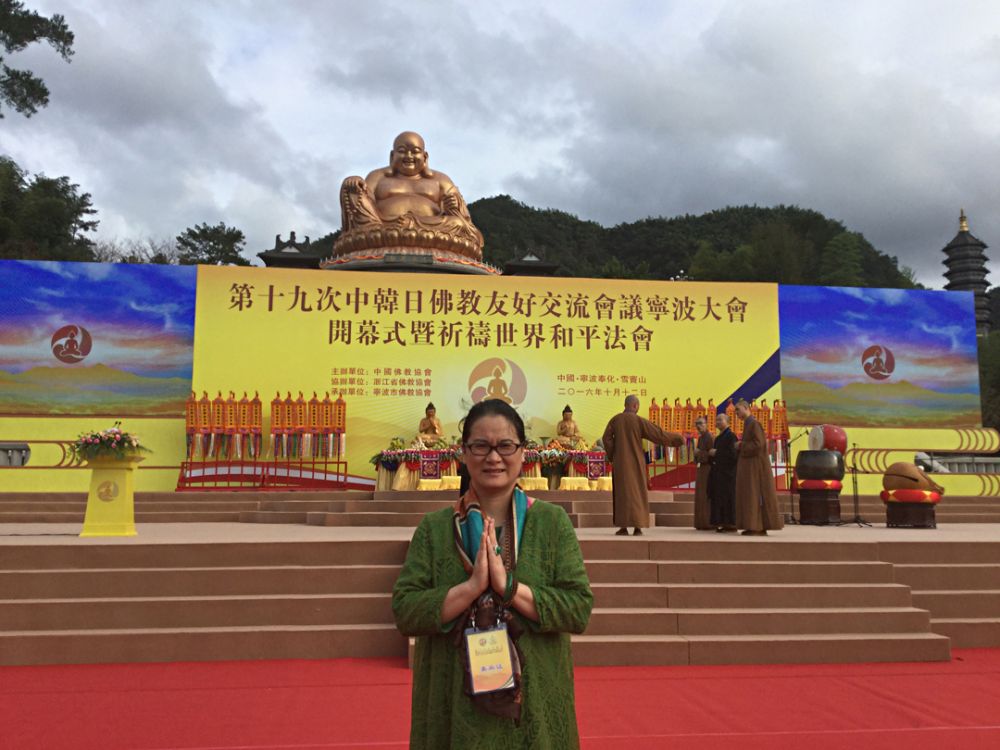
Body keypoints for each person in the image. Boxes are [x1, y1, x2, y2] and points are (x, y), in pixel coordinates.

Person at [392, 399, 593, 748]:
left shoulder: (552, 523)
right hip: (452, 710)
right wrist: (470, 589)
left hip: (534, 710)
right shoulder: (435, 528)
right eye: (481, 446)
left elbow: (578, 609)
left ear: (523, 452)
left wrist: (508, 587)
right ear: (463, 452)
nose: (494, 457)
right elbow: (406, 611)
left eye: (505, 446)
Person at [337, 131, 485, 258]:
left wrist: (453, 207)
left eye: (415, 151)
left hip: (430, 228)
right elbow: (364, 203)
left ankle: (399, 232)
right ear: (392, 156)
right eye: (402, 151)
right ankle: (383, 232)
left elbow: (465, 220)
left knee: (458, 224)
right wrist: (353, 183)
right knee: (352, 190)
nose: (409, 156)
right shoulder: (377, 176)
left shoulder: (441, 180)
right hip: (383, 225)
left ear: (425, 157)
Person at [602, 395, 684, 536]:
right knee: (638, 493)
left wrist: (613, 455)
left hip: (621, 463)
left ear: (625, 405)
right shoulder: (639, 421)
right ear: (635, 406)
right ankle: (638, 527)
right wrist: (678, 439)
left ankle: (623, 527)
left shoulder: (615, 420)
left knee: (622, 493)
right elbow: (658, 434)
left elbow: (606, 438)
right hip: (636, 462)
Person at [734, 399, 783, 536]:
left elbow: (758, 444)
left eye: (738, 410)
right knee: (750, 495)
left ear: (746, 408)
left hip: (756, 467)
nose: (736, 413)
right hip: (750, 466)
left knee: (755, 494)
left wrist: (741, 445)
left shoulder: (754, 424)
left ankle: (756, 527)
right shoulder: (747, 424)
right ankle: (754, 525)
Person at [708, 412, 738, 532]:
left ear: (727, 421)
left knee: (728, 499)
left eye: (720, 420)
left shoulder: (731, 436)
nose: (718, 422)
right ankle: (721, 523)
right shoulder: (718, 438)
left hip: (728, 474)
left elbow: (733, 455)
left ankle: (730, 524)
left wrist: (717, 453)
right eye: (716, 420)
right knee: (718, 499)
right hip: (718, 473)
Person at [692, 416, 714, 530]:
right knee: (700, 496)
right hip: (701, 469)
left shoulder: (710, 437)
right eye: (696, 424)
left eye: (701, 423)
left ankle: (707, 523)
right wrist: (697, 455)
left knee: (705, 496)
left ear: (706, 424)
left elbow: (711, 455)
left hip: (707, 470)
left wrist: (699, 453)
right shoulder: (700, 438)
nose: (698, 426)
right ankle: (700, 523)